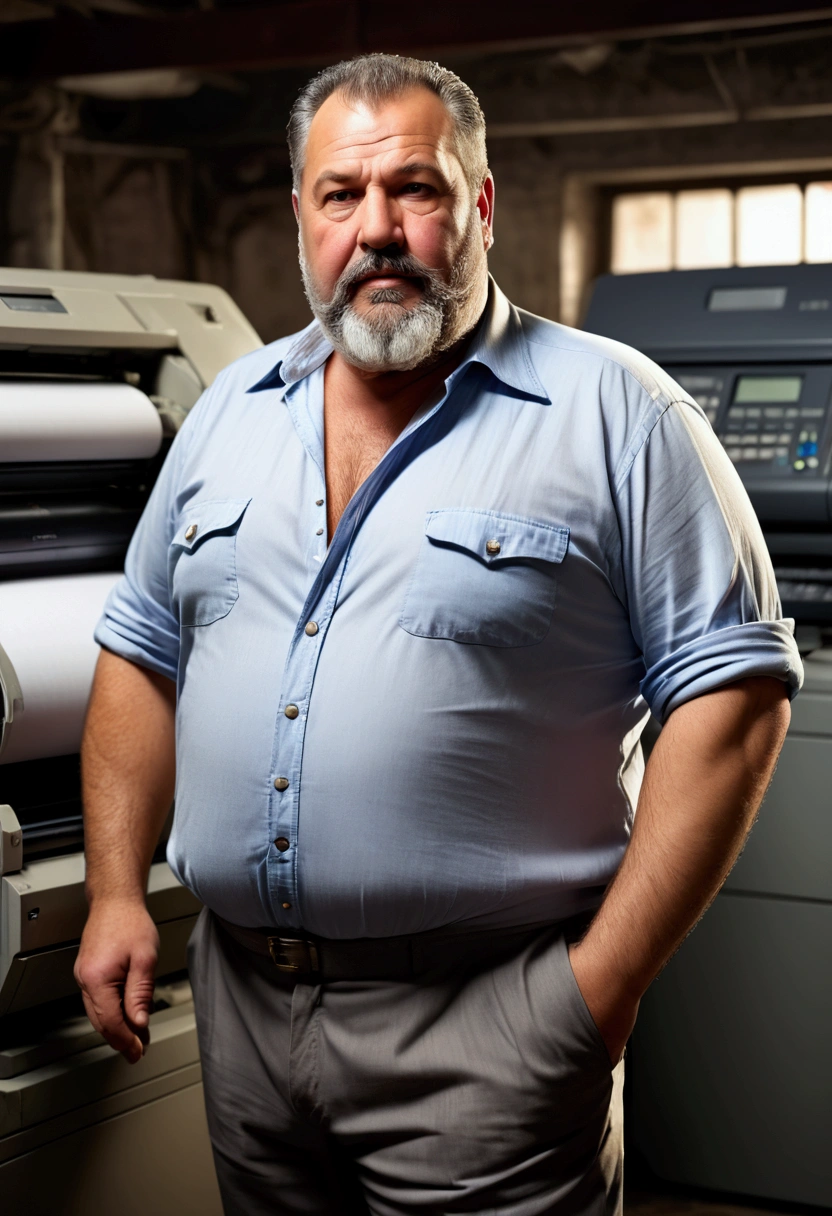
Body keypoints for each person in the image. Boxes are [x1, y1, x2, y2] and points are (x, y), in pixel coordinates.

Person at [74, 54, 801, 1216]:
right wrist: (117, 889)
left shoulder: (618, 412)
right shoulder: (226, 412)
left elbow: (735, 699)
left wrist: (595, 992)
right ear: (300, 214)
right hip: (246, 1017)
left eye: (413, 188)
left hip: (494, 1020)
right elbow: (140, 653)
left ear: (479, 203)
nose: (377, 230)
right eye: (340, 197)